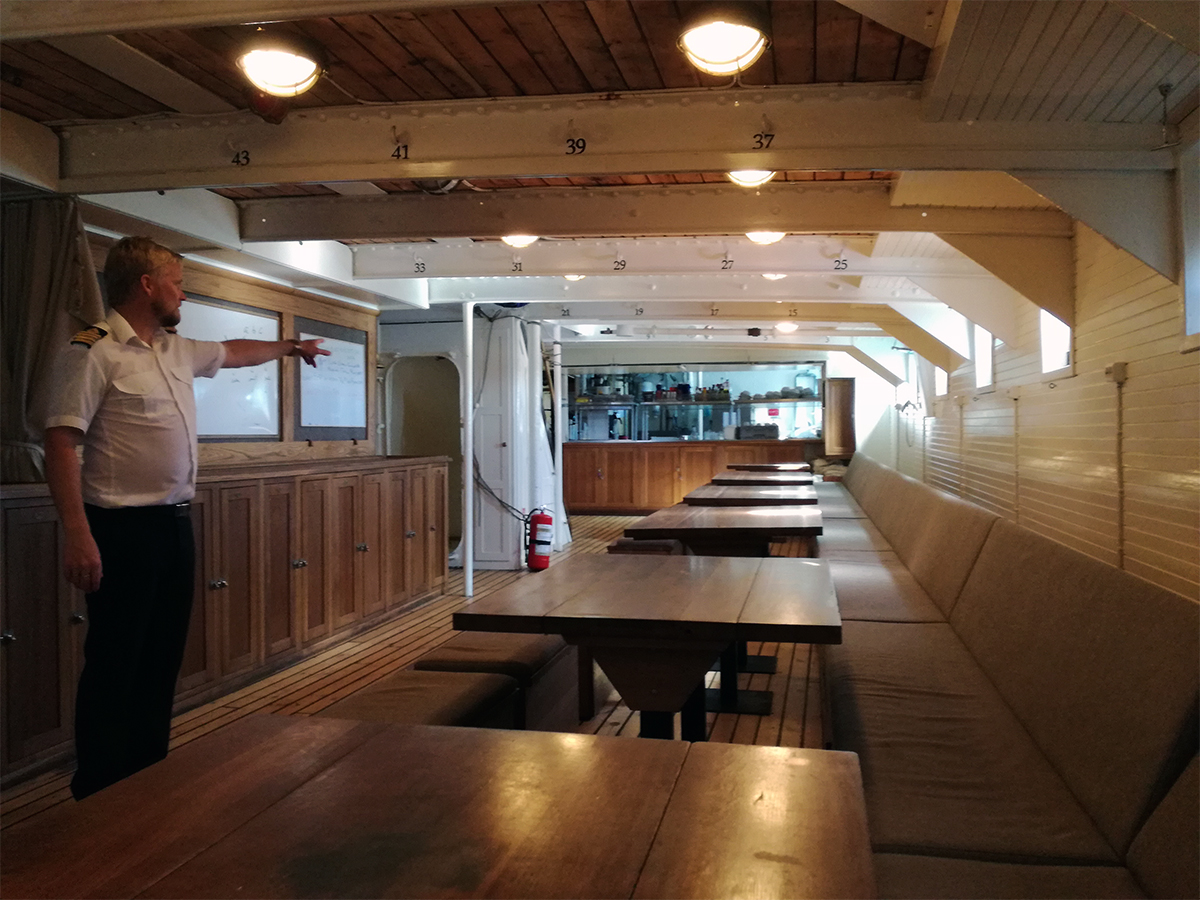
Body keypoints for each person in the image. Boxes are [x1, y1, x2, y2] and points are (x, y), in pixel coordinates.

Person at [44, 236, 330, 800]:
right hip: (120, 530)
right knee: (115, 659)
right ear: (147, 285)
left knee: (162, 657)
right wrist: (78, 536)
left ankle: (147, 774)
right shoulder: (91, 349)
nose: (184, 293)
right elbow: (59, 443)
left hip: (174, 525)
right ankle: (98, 789)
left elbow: (234, 351)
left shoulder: (176, 349)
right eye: (177, 281)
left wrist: (291, 347)